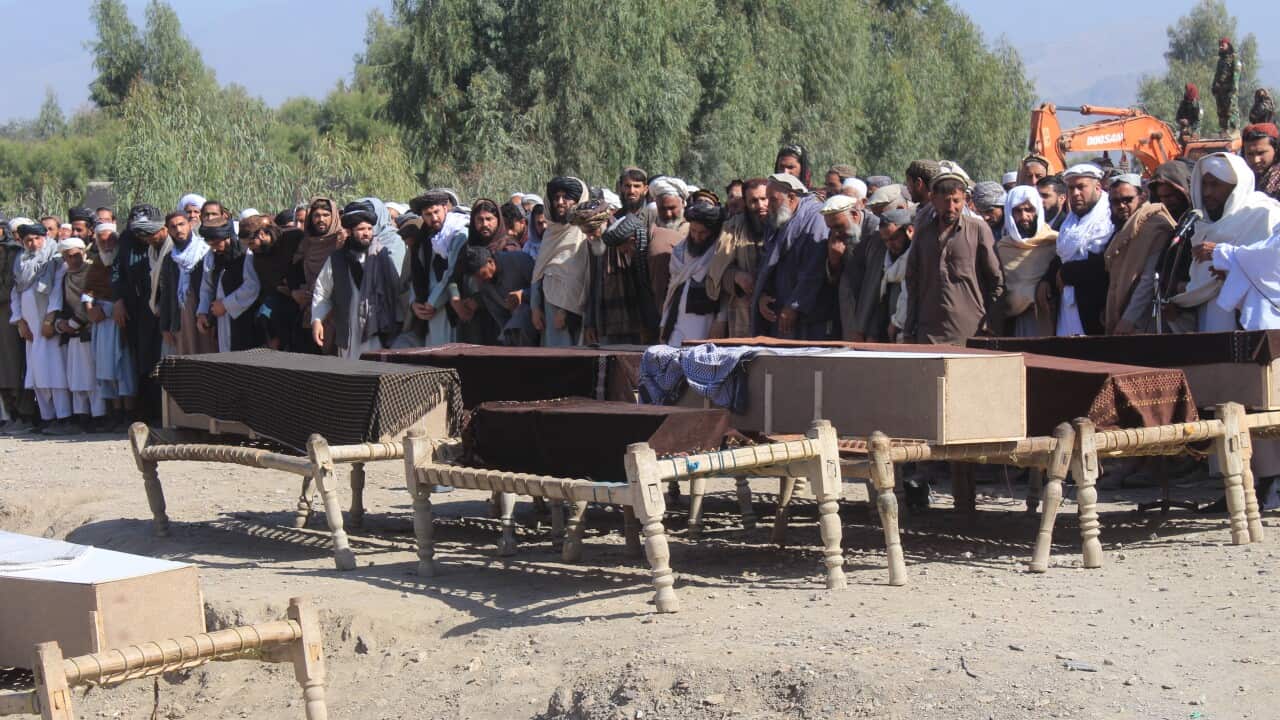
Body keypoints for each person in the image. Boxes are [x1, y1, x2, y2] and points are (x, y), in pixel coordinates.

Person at [1173, 152, 1280, 331]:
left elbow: (1271, 264)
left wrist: (1229, 262)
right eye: (1204, 184)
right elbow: (1200, 283)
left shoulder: (1264, 214)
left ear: (1235, 187)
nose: (1207, 193)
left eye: (1215, 185)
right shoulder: (1200, 225)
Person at [905, 164, 1003, 344]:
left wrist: (991, 322)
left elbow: (996, 281)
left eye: (956, 201)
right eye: (946, 201)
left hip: (971, 331)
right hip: (929, 331)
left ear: (965, 200)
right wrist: (909, 328)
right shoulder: (923, 233)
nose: (951, 207)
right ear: (933, 199)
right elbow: (912, 282)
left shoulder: (978, 229)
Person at [311, 201, 400, 359]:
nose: (366, 233)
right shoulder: (337, 259)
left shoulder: (381, 255)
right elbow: (322, 291)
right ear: (350, 232)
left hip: (377, 329)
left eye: (369, 229)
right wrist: (317, 320)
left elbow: (394, 291)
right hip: (349, 329)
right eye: (361, 229)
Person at [10, 223, 74, 434]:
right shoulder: (21, 261)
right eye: (28, 240)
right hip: (30, 326)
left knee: (55, 371)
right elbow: (16, 291)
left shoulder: (54, 259)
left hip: (47, 323)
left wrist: (49, 318)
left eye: (37, 239)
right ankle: (47, 417)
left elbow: (56, 289)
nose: (33, 243)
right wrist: (19, 320)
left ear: (44, 237)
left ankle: (64, 417)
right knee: (37, 373)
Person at [583, 169, 658, 344]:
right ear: (620, 188)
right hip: (612, 313)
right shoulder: (609, 222)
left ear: (646, 189)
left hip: (645, 310)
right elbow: (596, 275)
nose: (631, 191)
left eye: (637, 186)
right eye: (627, 186)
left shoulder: (653, 220)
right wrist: (591, 322)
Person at [752, 172, 831, 340]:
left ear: (792, 197)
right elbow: (767, 262)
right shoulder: (778, 220)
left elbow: (814, 268)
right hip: (779, 311)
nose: (768, 206)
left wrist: (795, 305)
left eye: (773, 200)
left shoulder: (816, 218)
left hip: (808, 315)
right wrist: (763, 295)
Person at [1104, 169, 1178, 335]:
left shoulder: (1155, 225)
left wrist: (1128, 319)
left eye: (1127, 199)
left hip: (1145, 318)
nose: (1121, 205)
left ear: (1143, 196)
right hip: (1123, 314)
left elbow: (1149, 279)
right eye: (1115, 201)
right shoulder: (1124, 229)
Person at [827, 194, 906, 342]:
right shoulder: (840, 235)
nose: (835, 233)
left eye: (838, 226)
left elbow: (873, 286)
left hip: (871, 325)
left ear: (855, 215)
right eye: (831, 228)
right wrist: (834, 260)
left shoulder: (877, 233)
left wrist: (861, 329)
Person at [114, 205, 168, 419]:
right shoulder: (126, 242)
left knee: (160, 356)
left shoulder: (161, 244)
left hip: (158, 306)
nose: (140, 234)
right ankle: (146, 409)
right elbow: (118, 271)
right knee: (142, 359)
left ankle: (161, 411)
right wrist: (118, 299)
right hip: (135, 309)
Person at [48, 237, 105, 430]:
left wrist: (75, 323)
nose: (74, 260)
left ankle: (99, 416)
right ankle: (81, 416)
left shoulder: (92, 272)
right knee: (76, 377)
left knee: (92, 378)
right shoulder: (64, 277)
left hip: (90, 331)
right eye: (69, 256)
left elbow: (91, 301)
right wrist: (61, 324)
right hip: (72, 335)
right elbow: (63, 304)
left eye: (77, 255)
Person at [82, 222, 134, 429]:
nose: (106, 243)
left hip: (122, 320)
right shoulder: (96, 263)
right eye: (102, 239)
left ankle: (129, 414)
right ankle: (115, 412)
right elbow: (88, 290)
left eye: (110, 238)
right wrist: (89, 308)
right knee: (107, 368)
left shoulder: (125, 259)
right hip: (102, 321)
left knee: (125, 368)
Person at [1052, 164, 1113, 336]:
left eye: (1081, 187)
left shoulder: (1110, 217)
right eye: (1071, 188)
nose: (1075, 193)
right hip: (1069, 306)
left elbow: (1106, 262)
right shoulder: (1069, 222)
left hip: (1097, 307)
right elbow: (1062, 256)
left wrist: (1068, 272)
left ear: (1098, 187)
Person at [530, 176, 590, 346]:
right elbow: (538, 274)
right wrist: (535, 308)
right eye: (556, 198)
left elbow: (581, 276)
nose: (560, 202)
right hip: (548, 311)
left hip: (575, 312)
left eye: (566, 197)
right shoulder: (550, 234)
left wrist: (565, 310)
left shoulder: (584, 232)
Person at [707, 177, 768, 338]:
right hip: (744, 317)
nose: (760, 205)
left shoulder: (784, 224)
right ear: (746, 203)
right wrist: (736, 277)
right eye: (754, 201)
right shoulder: (733, 228)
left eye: (764, 199)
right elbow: (716, 275)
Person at [660, 200, 725, 345]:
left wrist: (721, 320)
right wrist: (664, 323)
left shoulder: (719, 252)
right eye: (693, 231)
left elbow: (723, 293)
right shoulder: (679, 251)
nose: (697, 237)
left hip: (705, 320)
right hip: (677, 320)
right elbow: (672, 289)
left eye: (703, 233)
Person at [408, 191, 468, 346]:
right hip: (429, 310)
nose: (434, 218)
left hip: (452, 305)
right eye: (428, 214)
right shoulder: (423, 239)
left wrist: (432, 303)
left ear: (445, 209)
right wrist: (415, 303)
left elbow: (452, 272)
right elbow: (416, 274)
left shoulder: (458, 233)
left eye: (436, 212)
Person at [195, 220, 259, 353]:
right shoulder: (211, 255)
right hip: (222, 319)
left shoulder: (245, 253)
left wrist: (226, 305)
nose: (213, 247)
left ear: (227, 236)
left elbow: (252, 286)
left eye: (216, 242)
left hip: (244, 319)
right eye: (209, 243)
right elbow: (207, 285)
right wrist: (202, 312)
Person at [157, 210, 215, 356]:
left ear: (190, 225)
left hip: (204, 314)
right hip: (181, 317)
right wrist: (165, 327)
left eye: (182, 224)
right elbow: (166, 293)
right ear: (168, 230)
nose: (178, 230)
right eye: (173, 227)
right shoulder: (169, 259)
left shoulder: (205, 251)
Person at [290, 197, 343, 353]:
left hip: (336, 312)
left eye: (326, 215)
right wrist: (295, 292)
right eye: (316, 215)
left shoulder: (341, 241)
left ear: (333, 217)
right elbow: (294, 271)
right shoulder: (306, 243)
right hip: (308, 309)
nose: (321, 219)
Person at [457, 245, 536, 346]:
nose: (480, 280)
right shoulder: (484, 285)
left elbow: (542, 286)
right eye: (476, 277)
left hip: (536, 315)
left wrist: (523, 295)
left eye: (482, 274)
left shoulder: (518, 260)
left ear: (490, 262)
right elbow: (500, 318)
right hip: (515, 330)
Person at [242, 215, 300, 350]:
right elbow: (270, 286)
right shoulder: (258, 256)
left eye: (251, 243)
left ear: (262, 234)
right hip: (283, 305)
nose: (250, 249)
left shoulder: (293, 237)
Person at [0, 219, 36, 434]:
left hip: (9, 318)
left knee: (15, 367)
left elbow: (10, 287)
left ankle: (23, 414)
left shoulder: (12, 252)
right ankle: (9, 414)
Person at [1241, 123, 1280, 201]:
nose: (1256, 160)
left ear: (1276, 149)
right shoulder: (1245, 176)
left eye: (1261, 153)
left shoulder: (1277, 180)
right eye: (1250, 154)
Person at [1212, 38, 1241, 134]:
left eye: (1222, 45)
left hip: (1229, 91)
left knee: (1231, 110)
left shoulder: (1234, 58)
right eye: (1219, 45)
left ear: (1228, 45)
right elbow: (1217, 74)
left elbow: (1236, 74)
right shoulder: (1220, 60)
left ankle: (1235, 129)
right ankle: (1224, 131)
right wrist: (1214, 86)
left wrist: (1234, 89)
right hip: (1220, 91)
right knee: (1221, 112)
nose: (1220, 47)